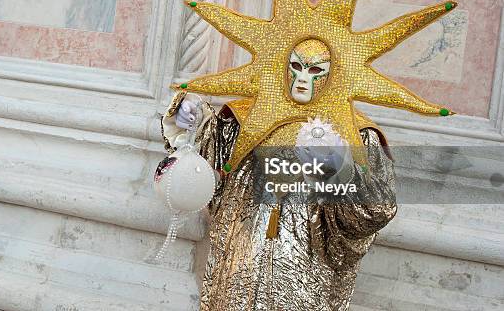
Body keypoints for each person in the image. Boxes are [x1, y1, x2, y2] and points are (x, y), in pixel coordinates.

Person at [161, 39, 397, 310]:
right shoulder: (247, 119)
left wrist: (341, 169)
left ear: (335, 75)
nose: (302, 79)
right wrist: (192, 116)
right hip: (241, 268)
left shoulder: (355, 134)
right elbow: (208, 163)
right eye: (295, 66)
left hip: (304, 277)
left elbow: (376, 208)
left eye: (315, 71)